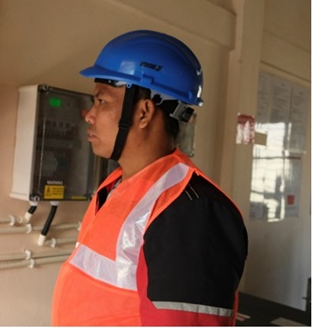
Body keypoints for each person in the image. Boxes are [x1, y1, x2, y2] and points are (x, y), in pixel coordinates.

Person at [51, 30, 248, 326]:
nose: (89, 115)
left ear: (143, 112)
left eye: (102, 102)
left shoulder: (189, 212)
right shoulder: (116, 186)